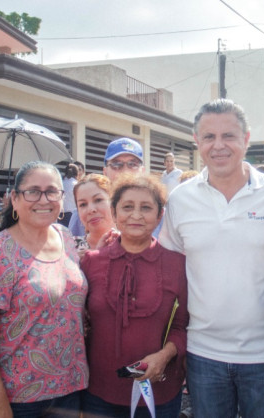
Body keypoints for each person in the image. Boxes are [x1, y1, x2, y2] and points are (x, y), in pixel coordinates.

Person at [160, 99, 264, 418]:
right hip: (203, 355)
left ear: (246, 139)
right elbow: (167, 268)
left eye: (229, 136)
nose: (218, 146)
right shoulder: (180, 200)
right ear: (197, 142)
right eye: (209, 137)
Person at [0, 161, 88, 416]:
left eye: (52, 191)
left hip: (68, 392)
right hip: (13, 399)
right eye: (33, 191)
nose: (44, 199)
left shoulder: (65, 238)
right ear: (15, 200)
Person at [81, 175, 188, 417]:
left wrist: (164, 356)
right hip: (99, 392)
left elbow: (182, 325)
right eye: (127, 207)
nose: (136, 215)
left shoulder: (177, 264)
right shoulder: (91, 261)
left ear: (160, 215)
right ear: (114, 212)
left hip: (158, 391)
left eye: (146, 208)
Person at [74, 174, 115, 251]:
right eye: (83, 204)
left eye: (98, 200)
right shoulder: (69, 250)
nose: (91, 210)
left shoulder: (135, 245)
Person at [60, 162, 80, 227]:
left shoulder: (61, 184)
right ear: (77, 174)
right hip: (72, 215)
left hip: (60, 215)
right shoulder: (77, 185)